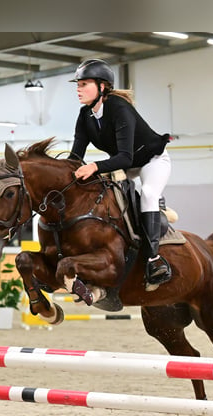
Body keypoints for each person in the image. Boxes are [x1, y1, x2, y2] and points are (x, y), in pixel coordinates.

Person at [68, 58, 172, 291]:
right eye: (78, 84)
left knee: (147, 192)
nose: (78, 89)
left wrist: (94, 166)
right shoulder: (85, 115)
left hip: (152, 160)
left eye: (84, 84)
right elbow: (75, 157)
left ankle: (153, 260)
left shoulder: (119, 107)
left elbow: (125, 157)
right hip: (125, 165)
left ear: (102, 87)